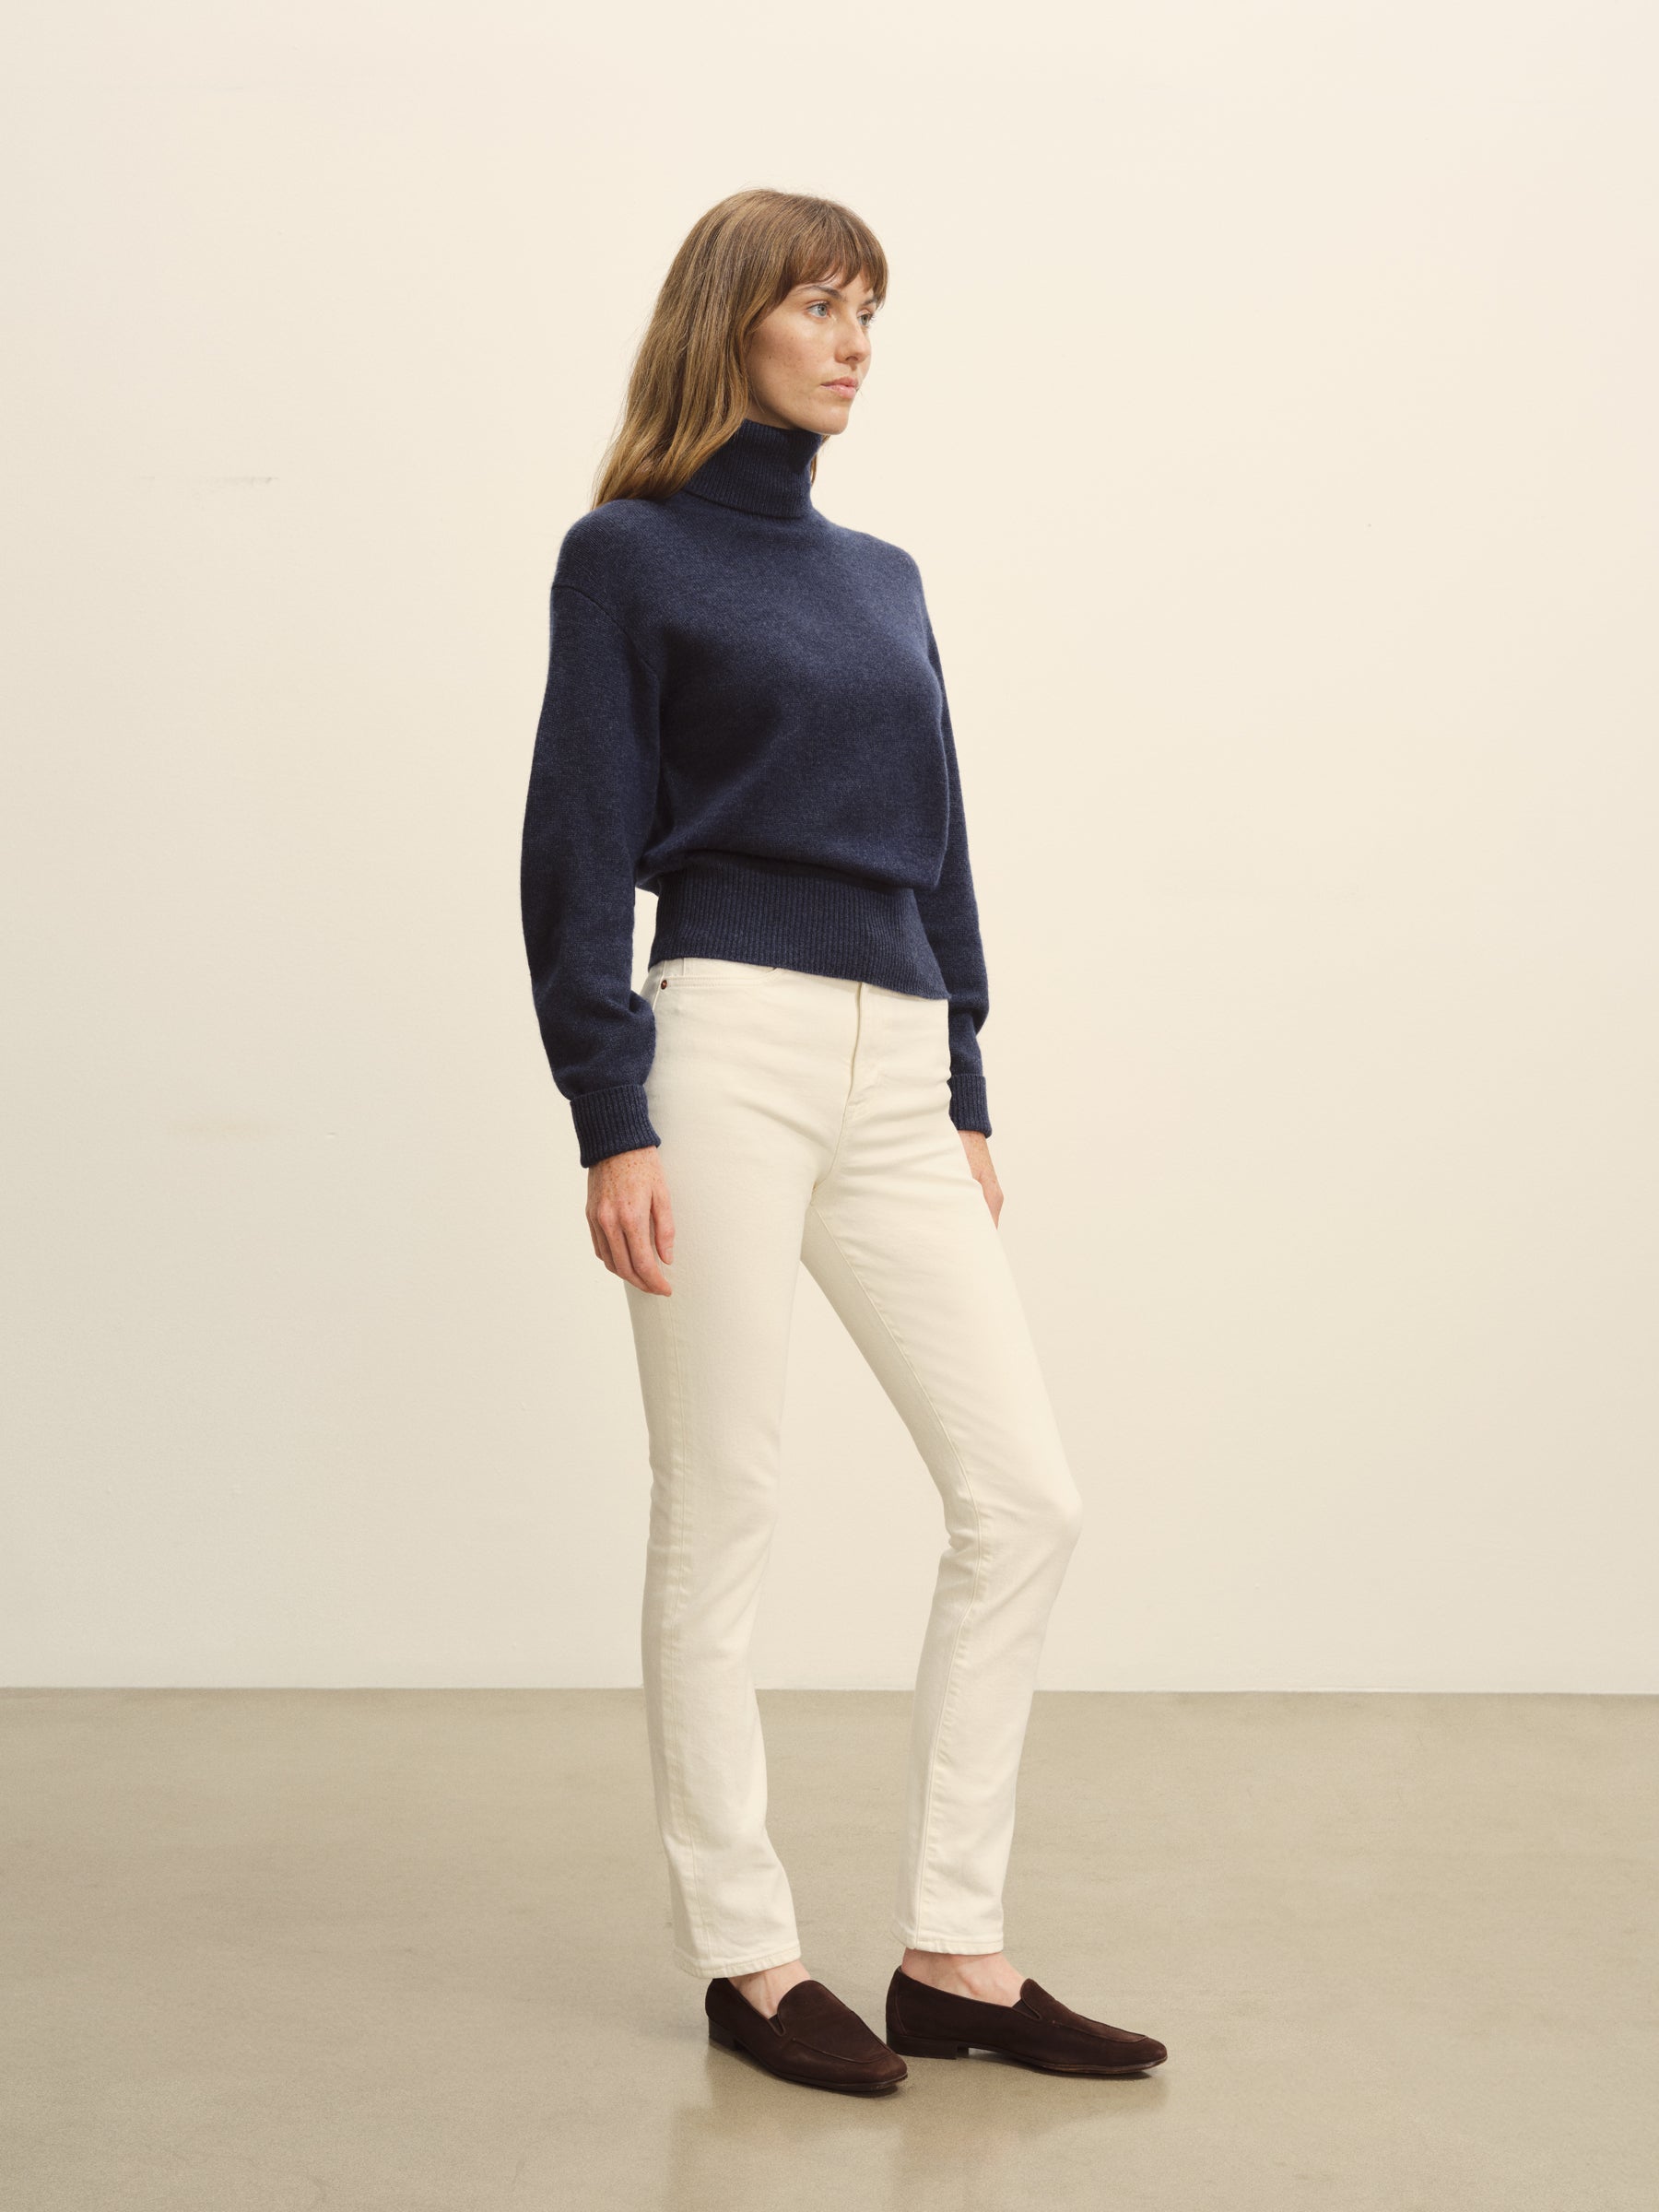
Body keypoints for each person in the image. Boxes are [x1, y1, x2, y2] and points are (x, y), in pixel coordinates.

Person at [520, 187, 1167, 2095]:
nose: (857, 343)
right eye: (821, 306)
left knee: (1024, 1497)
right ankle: (749, 1955)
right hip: (722, 1045)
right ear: (731, 322)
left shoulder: (884, 577)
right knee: (722, 1501)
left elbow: (943, 847)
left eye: (871, 310)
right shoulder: (625, 557)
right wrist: (610, 1111)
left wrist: (961, 1081)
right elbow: (575, 848)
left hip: (898, 1062)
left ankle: (953, 1955)